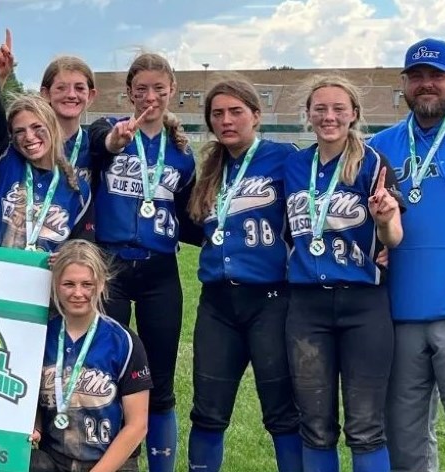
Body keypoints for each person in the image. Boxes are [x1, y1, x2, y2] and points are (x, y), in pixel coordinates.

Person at [284, 74, 403, 471]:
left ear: (354, 114)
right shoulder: (294, 166)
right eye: (320, 108)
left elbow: (395, 238)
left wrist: (385, 220)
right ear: (308, 115)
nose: (329, 116)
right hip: (306, 307)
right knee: (315, 425)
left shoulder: (373, 163)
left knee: (366, 425)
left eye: (338, 108)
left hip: (363, 304)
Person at [184, 78, 302, 472]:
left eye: (236, 111)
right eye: (217, 114)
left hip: (270, 301)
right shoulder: (211, 168)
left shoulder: (286, 158)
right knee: (208, 411)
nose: (226, 120)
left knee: (282, 413)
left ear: (256, 114)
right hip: (218, 303)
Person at [86, 51, 195, 472]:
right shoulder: (108, 132)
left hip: (159, 272)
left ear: (171, 93)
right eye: (141, 89)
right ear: (129, 93)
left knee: (160, 381)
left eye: (159, 89)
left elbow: (189, 215)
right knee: (105, 373)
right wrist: (115, 141)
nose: (150, 96)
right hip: (110, 266)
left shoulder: (183, 154)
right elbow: (99, 145)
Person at [368, 37, 445, 472]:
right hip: (399, 312)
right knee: (405, 441)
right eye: (417, 76)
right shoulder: (380, 146)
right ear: (404, 83)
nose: (427, 85)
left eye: (437, 76)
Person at [0, 0, 90, 252]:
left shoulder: (78, 187)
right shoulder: (4, 159)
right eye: (19, 132)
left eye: (37, 128)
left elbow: (79, 246)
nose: (29, 137)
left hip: (44, 286)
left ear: (53, 128)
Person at [29, 239, 152, 472]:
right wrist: (36, 426)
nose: (78, 293)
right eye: (69, 284)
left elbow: (137, 425)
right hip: (55, 459)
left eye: (87, 284)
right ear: (55, 284)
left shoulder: (123, 341)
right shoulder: (41, 336)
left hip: (111, 463)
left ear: (102, 283)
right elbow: (28, 398)